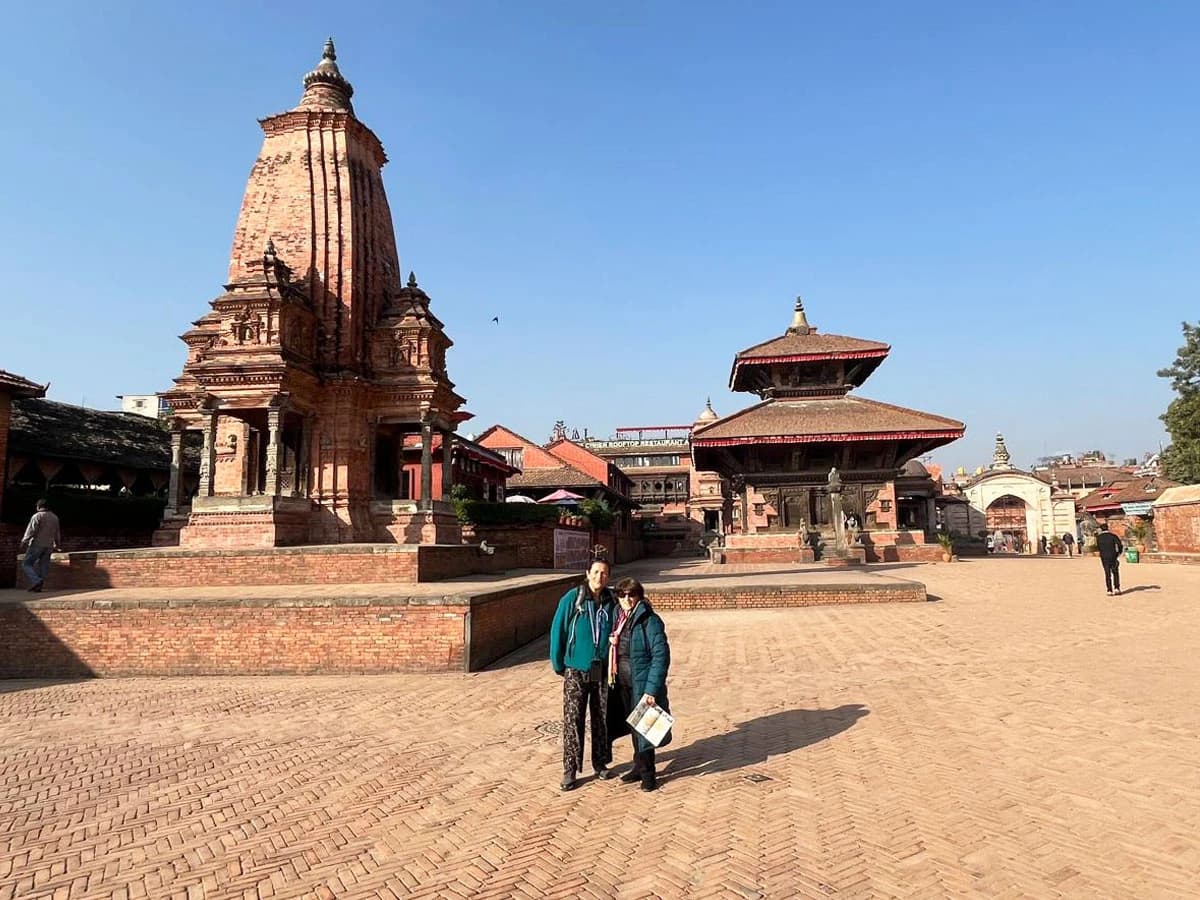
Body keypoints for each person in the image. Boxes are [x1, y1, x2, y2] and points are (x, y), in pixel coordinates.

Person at [549, 553, 616, 791]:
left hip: (601, 669)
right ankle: (570, 768)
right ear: (588, 574)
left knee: (601, 717)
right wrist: (559, 664)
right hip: (575, 669)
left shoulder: (611, 601)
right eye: (596, 572)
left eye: (605, 573)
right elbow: (558, 631)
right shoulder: (572, 598)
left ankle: (600, 762)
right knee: (573, 719)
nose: (600, 576)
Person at [605, 577, 672, 792]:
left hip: (641, 682)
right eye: (622, 594)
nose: (627, 599)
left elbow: (661, 656)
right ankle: (638, 765)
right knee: (634, 725)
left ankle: (648, 773)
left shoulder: (649, 620)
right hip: (622, 680)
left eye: (631, 594)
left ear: (639, 596)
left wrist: (652, 689)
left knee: (646, 728)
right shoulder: (619, 616)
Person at [19, 499, 61, 593]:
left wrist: (24, 541)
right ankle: (39, 586)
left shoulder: (37, 516)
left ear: (38, 507)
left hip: (37, 544)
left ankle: (36, 581)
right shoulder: (54, 517)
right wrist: (57, 544)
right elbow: (57, 533)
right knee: (43, 566)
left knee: (26, 563)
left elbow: (31, 530)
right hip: (49, 545)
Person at [1095, 522, 1123, 596]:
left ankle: (1109, 590)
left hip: (1104, 557)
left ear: (1101, 529)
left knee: (1107, 573)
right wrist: (1118, 553)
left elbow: (1098, 547)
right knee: (1115, 572)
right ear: (1108, 528)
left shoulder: (1099, 537)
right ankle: (1117, 588)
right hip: (1113, 556)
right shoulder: (1113, 536)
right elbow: (1120, 545)